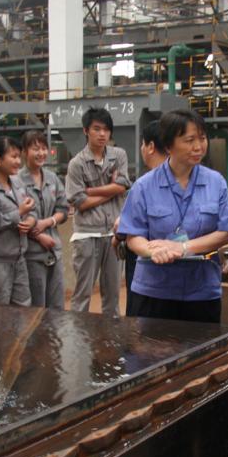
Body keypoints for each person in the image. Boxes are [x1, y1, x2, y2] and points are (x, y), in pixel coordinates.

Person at [118, 109, 228, 323]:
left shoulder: (216, 182)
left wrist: (182, 247)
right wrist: (153, 251)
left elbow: (225, 232)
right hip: (154, 292)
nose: (198, 146)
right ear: (168, 145)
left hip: (202, 291)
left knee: (201, 344)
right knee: (151, 345)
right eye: (189, 140)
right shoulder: (144, 186)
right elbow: (133, 236)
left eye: (202, 138)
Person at [65, 107, 131, 316]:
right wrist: (112, 191)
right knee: (82, 294)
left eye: (106, 130)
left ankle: (110, 335)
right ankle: (79, 334)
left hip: (113, 234)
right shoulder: (76, 164)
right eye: (96, 129)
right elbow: (80, 202)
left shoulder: (118, 155)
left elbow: (123, 185)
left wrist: (91, 190)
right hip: (87, 235)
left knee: (112, 295)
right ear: (86, 131)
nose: (102, 134)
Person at [116, 120, 167, 316]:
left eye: (143, 144)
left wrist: (119, 231)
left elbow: (124, 226)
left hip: (147, 269)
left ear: (150, 147)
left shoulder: (143, 185)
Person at [0, 137, 36, 307]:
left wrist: (31, 220)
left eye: (19, 156)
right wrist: (18, 213)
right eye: (14, 157)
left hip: (19, 259)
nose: (19, 161)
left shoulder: (17, 182)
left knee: (23, 310)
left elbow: (30, 211)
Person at [20, 131, 69, 308]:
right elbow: (17, 217)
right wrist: (39, 236)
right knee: (36, 306)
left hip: (54, 251)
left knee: (57, 306)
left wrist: (47, 222)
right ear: (24, 152)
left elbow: (63, 209)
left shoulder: (52, 178)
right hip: (32, 254)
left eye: (43, 148)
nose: (41, 153)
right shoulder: (17, 181)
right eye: (35, 149)